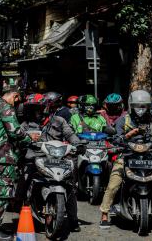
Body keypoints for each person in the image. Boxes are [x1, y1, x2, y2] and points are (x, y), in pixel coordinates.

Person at [99, 90, 152, 229]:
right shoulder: (123, 120)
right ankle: (105, 213)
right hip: (126, 155)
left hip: (148, 157)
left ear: (149, 106)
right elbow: (116, 138)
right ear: (131, 106)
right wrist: (129, 134)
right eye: (137, 106)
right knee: (113, 183)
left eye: (144, 106)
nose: (140, 109)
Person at [0, 86, 40, 240]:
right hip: (5, 157)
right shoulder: (7, 109)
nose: (17, 104)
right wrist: (30, 138)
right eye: (18, 100)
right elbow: (15, 132)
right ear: (15, 96)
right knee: (2, 193)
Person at [41, 92, 84, 232]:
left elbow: (70, 134)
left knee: (70, 186)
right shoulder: (31, 119)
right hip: (39, 155)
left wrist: (77, 144)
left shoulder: (59, 120)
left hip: (58, 156)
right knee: (27, 175)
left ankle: (73, 220)